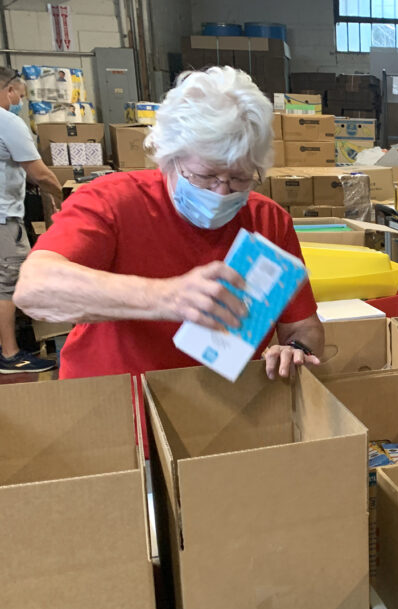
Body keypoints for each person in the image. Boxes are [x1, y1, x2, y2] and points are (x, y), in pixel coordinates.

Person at [14, 66, 322, 382]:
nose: (222, 191)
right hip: (112, 398)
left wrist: (295, 348)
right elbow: (34, 289)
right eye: (205, 176)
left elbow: (303, 325)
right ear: (170, 158)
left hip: (224, 405)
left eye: (240, 178)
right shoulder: (113, 201)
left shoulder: (267, 221)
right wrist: (167, 297)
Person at [0, 67, 63, 374]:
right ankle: (10, 355)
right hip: (2, 218)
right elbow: (39, 173)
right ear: (8, 90)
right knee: (8, 284)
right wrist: (63, 197)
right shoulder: (7, 121)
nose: (20, 102)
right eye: (20, 96)